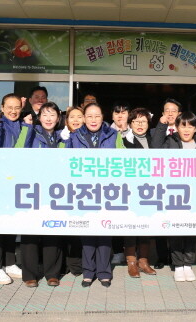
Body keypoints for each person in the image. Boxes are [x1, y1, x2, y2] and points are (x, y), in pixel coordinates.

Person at [64, 103, 124, 288]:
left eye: (97, 116)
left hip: (107, 191)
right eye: (89, 116)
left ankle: (104, 272)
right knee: (87, 233)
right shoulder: (74, 137)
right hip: (83, 191)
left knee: (105, 233)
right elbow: (65, 163)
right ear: (83, 118)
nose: (93, 120)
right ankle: (88, 272)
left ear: (102, 116)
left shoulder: (114, 135)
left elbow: (123, 160)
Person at [152, 111, 196, 282]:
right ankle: (177, 265)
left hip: (195, 195)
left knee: (191, 231)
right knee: (175, 231)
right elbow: (155, 149)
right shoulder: (170, 142)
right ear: (176, 127)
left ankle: (188, 264)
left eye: (190, 126)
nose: (186, 130)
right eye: (183, 126)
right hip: (174, 193)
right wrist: (162, 125)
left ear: (195, 128)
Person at [0, 93, 31, 285]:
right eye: (9, 107)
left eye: (17, 107)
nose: (13, 111)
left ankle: (10, 262)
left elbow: (23, 150)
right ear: (2, 108)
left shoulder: (22, 124)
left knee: (11, 222)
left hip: (16, 182)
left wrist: (27, 127)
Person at [21, 102, 64, 287]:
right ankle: (30, 274)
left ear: (58, 118)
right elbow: (19, 151)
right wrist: (26, 128)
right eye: (45, 115)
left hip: (56, 191)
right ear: (39, 117)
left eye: (52, 115)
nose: (48, 119)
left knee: (52, 231)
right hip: (33, 189)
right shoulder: (32, 132)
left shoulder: (63, 137)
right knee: (30, 232)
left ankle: (52, 273)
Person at [121, 108, 157, 278]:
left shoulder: (154, 139)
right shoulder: (124, 140)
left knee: (146, 226)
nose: (140, 125)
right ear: (130, 124)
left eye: (143, 121)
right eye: (136, 121)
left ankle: (144, 260)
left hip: (149, 190)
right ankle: (131, 262)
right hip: (130, 190)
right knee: (130, 226)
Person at [150, 97, 183, 269]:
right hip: (161, 183)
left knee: (178, 222)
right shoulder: (156, 130)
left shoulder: (185, 130)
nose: (170, 113)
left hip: (180, 183)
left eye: (174, 110)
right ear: (162, 114)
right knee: (161, 222)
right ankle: (162, 257)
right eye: (167, 110)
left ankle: (177, 258)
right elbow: (155, 148)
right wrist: (162, 126)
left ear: (179, 114)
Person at [59, 106, 84, 276]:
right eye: (72, 117)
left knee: (79, 229)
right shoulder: (62, 136)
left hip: (83, 190)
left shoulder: (89, 136)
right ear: (66, 121)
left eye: (79, 116)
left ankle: (76, 265)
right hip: (63, 189)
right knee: (63, 229)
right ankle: (62, 265)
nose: (75, 120)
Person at [109, 101, 131, 265]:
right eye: (117, 113)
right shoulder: (105, 131)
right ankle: (117, 251)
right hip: (112, 182)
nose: (120, 116)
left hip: (131, 181)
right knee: (114, 216)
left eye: (123, 112)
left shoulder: (135, 131)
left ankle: (131, 253)